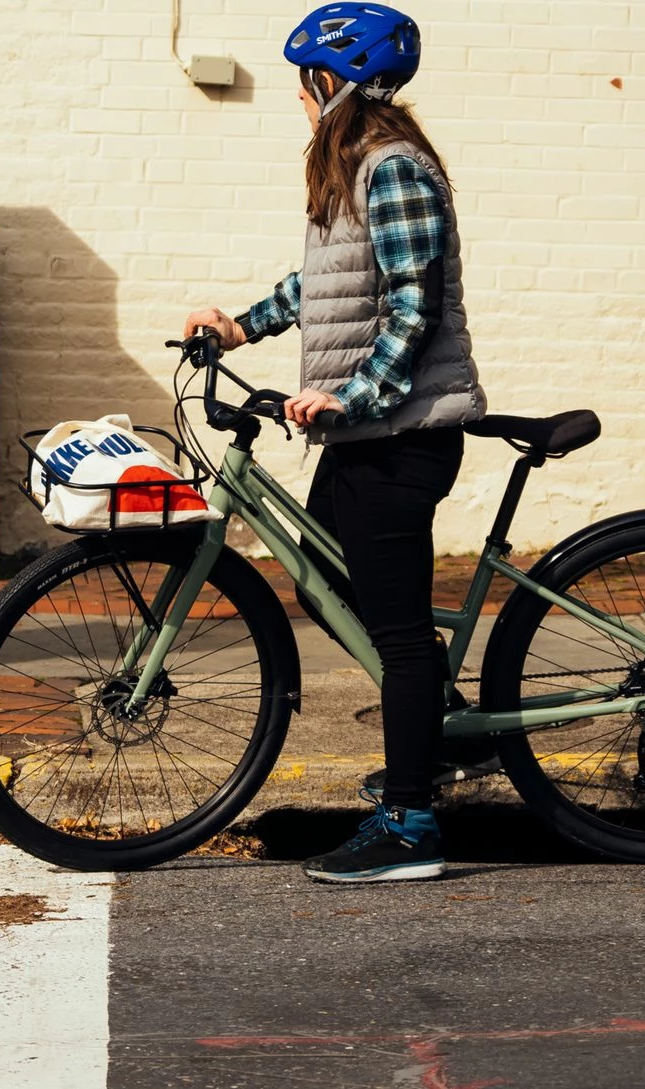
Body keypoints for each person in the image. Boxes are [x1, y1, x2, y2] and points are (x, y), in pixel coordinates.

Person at [183, 2, 488, 884]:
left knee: (393, 631)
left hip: (404, 436)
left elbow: (411, 310)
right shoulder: (352, 169)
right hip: (368, 435)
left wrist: (347, 398)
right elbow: (325, 287)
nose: (300, 98)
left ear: (335, 81)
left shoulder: (394, 170)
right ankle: (436, 731)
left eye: (305, 80)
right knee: (328, 587)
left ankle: (412, 825)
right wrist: (241, 326)